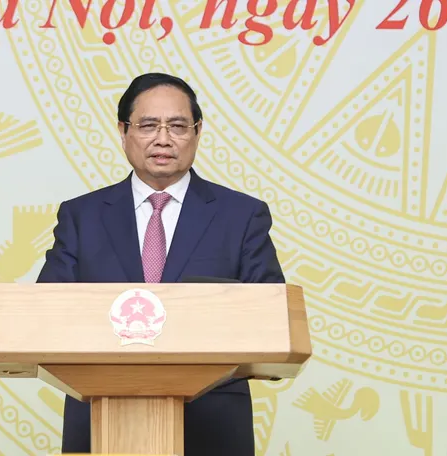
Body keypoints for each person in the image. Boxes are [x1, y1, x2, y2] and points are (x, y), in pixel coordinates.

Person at [36, 72, 286, 455]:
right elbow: (44, 316)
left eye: (178, 126)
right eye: (148, 125)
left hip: (212, 425)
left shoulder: (241, 216)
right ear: (123, 131)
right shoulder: (82, 216)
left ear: (198, 132)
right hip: (102, 418)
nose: (163, 139)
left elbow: (272, 322)